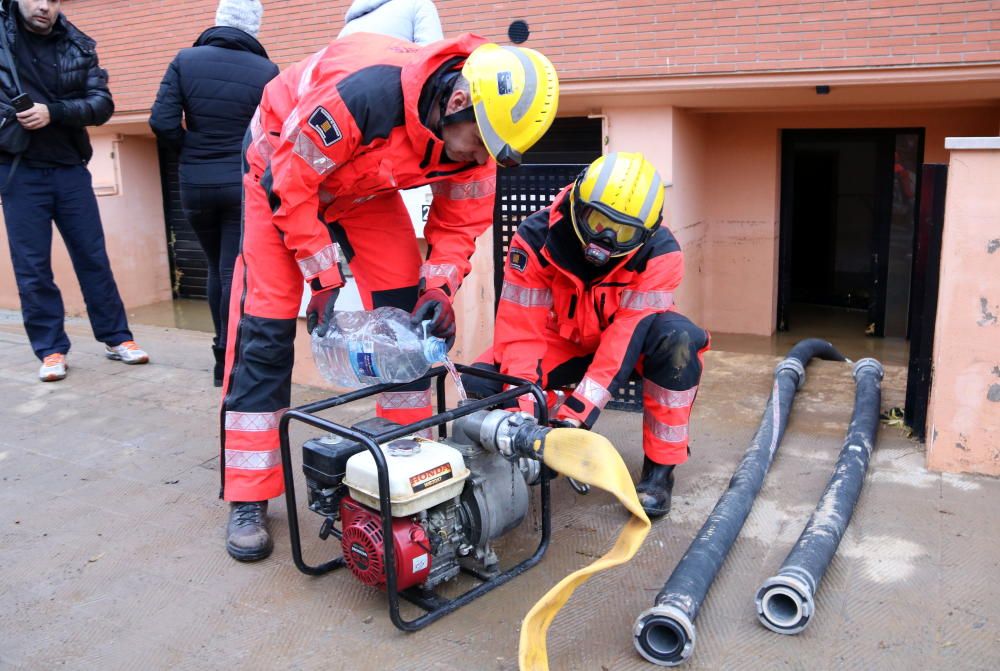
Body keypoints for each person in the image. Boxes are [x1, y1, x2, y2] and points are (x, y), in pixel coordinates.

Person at [221, 32, 559, 561]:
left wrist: (440, 290)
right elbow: (292, 184)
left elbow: (460, 224)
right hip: (279, 172)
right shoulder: (365, 95)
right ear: (456, 101)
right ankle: (248, 495)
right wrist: (325, 279)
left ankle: (406, 464)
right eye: (475, 143)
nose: (477, 158)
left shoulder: (480, 139)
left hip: (360, 187)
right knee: (265, 328)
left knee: (409, 323)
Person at [461, 153, 710, 519]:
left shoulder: (661, 255)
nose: (605, 240)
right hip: (560, 336)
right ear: (578, 201)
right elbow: (520, 334)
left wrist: (574, 419)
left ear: (646, 233)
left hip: (630, 341)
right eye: (597, 221)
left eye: (623, 232)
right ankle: (514, 457)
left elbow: (624, 340)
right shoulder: (534, 237)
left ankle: (660, 472)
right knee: (482, 381)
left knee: (679, 344)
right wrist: (524, 419)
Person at [0, 0, 148, 382]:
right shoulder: (2, 40)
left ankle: (117, 337)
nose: (44, 6)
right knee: (32, 267)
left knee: (93, 256)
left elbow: (102, 104)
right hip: (19, 170)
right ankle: (50, 349)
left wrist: (54, 111)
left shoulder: (78, 45)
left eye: (53, 0)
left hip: (69, 168)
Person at [149, 0, 278, 387]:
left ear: (218, 21)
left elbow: (161, 121)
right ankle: (232, 361)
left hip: (195, 184)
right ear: (253, 27)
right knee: (232, 271)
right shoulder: (267, 71)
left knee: (213, 268)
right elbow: (274, 134)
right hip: (242, 184)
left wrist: (190, 151)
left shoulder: (185, 61)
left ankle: (220, 359)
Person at [338, 0, 443, 45]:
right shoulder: (419, 5)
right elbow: (435, 56)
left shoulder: (349, 27)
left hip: (351, 90)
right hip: (400, 89)